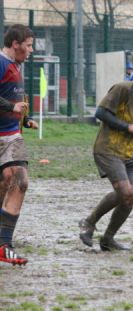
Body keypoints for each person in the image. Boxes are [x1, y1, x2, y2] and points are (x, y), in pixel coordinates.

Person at [78, 57, 133, 251]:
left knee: (130, 197)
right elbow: (100, 113)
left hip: (127, 154)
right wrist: (128, 127)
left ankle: (108, 239)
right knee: (125, 192)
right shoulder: (124, 88)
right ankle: (88, 222)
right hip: (108, 149)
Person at [0, 24, 38, 265]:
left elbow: (15, 96)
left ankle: (4, 245)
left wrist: (25, 118)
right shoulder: (1, 62)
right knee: (3, 184)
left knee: (20, 181)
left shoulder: (16, 65)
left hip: (12, 134)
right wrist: (10, 107)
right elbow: (9, 101)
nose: (31, 50)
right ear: (16, 44)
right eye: (29, 45)